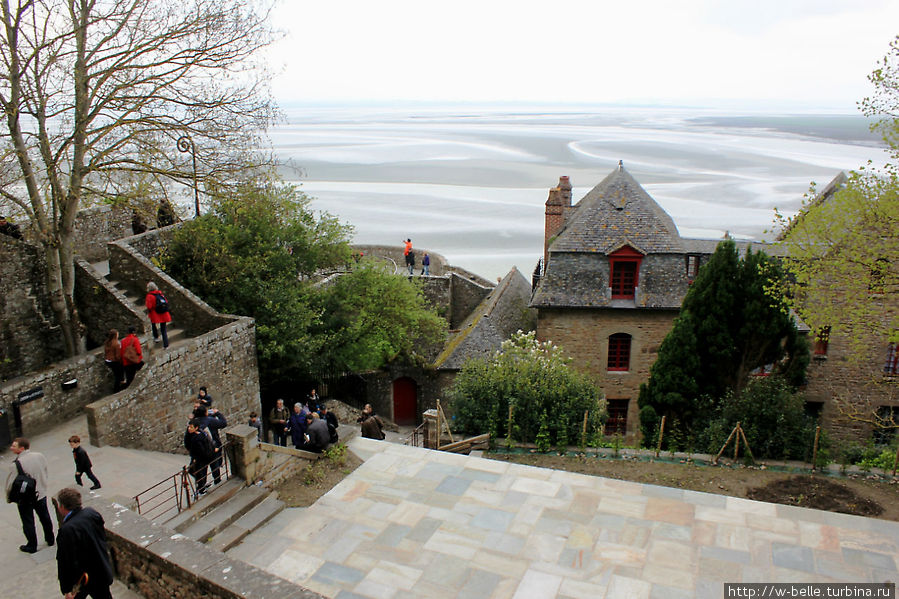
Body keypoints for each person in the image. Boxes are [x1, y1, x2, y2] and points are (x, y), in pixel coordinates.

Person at [54, 487, 114, 599]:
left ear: (62, 506)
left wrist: (67, 589)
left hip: (82, 579)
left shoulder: (67, 530)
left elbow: (65, 561)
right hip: (100, 570)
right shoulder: (91, 513)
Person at [5, 437, 54, 553]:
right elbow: (45, 471)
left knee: (28, 522)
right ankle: (50, 538)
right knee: (45, 517)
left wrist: (9, 498)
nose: (11, 448)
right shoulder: (39, 456)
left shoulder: (16, 465)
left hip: (25, 498)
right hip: (40, 493)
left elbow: (10, 484)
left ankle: (32, 545)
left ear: (21, 448)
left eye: (14, 446)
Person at [193, 405, 227, 486]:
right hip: (212, 448)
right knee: (215, 467)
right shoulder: (210, 420)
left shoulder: (195, 422)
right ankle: (217, 482)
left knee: (203, 469)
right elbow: (223, 423)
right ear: (205, 413)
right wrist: (218, 413)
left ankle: (202, 487)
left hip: (201, 450)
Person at [184, 418, 217, 495]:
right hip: (199, 456)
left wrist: (196, 457)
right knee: (197, 471)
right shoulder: (195, 434)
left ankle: (201, 487)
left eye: (191, 427)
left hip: (201, 457)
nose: (189, 429)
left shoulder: (198, 437)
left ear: (196, 428)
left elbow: (202, 449)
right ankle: (202, 484)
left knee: (198, 471)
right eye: (189, 427)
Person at [145, 281, 172, 349]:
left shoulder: (149, 296)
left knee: (153, 325)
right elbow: (166, 302)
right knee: (163, 330)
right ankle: (166, 345)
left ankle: (156, 337)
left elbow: (149, 306)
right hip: (164, 313)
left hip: (155, 314)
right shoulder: (160, 294)